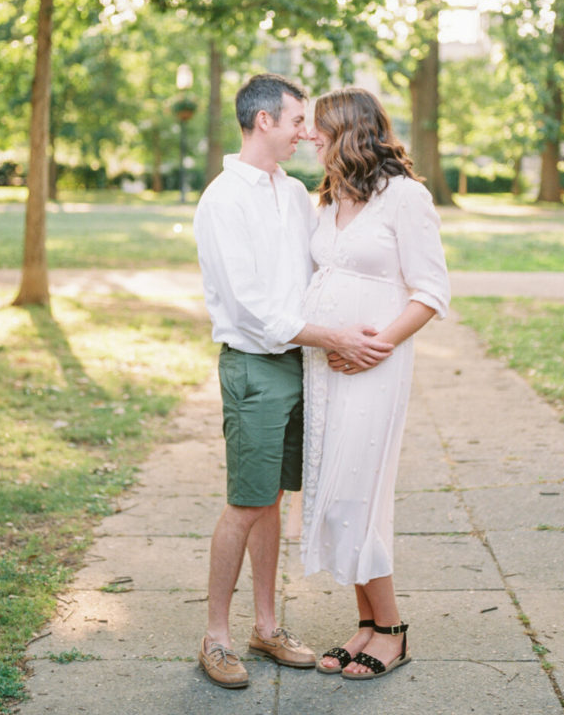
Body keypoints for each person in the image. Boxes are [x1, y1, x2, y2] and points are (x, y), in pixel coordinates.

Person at [193, 73, 393, 690]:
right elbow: (253, 306)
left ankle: (267, 625)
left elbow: (319, 265)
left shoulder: (294, 190)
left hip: (298, 361)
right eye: (297, 121)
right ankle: (217, 637)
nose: (306, 132)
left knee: (274, 498)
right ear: (263, 123)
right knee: (246, 501)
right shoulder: (224, 200)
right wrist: (333, 337)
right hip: (255, 364)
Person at [301, 86, 451, 680]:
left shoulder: (405, 198)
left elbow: (432, 292)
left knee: (357, 494)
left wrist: (375, 345)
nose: (310, 135)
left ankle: (391, 629)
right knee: (335, 495)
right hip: (327, 366)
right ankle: (364, 623)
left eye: (319, 126)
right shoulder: (330, 199)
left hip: (376, 365)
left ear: (348, 131)